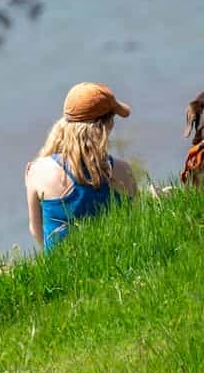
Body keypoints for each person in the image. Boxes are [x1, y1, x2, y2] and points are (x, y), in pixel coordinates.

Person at [25, 82, 139, 248]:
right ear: (107, 126)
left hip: (61, 270)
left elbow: (37, 232)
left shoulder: (39, 171)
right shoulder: (124, 171)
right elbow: (135, 225)